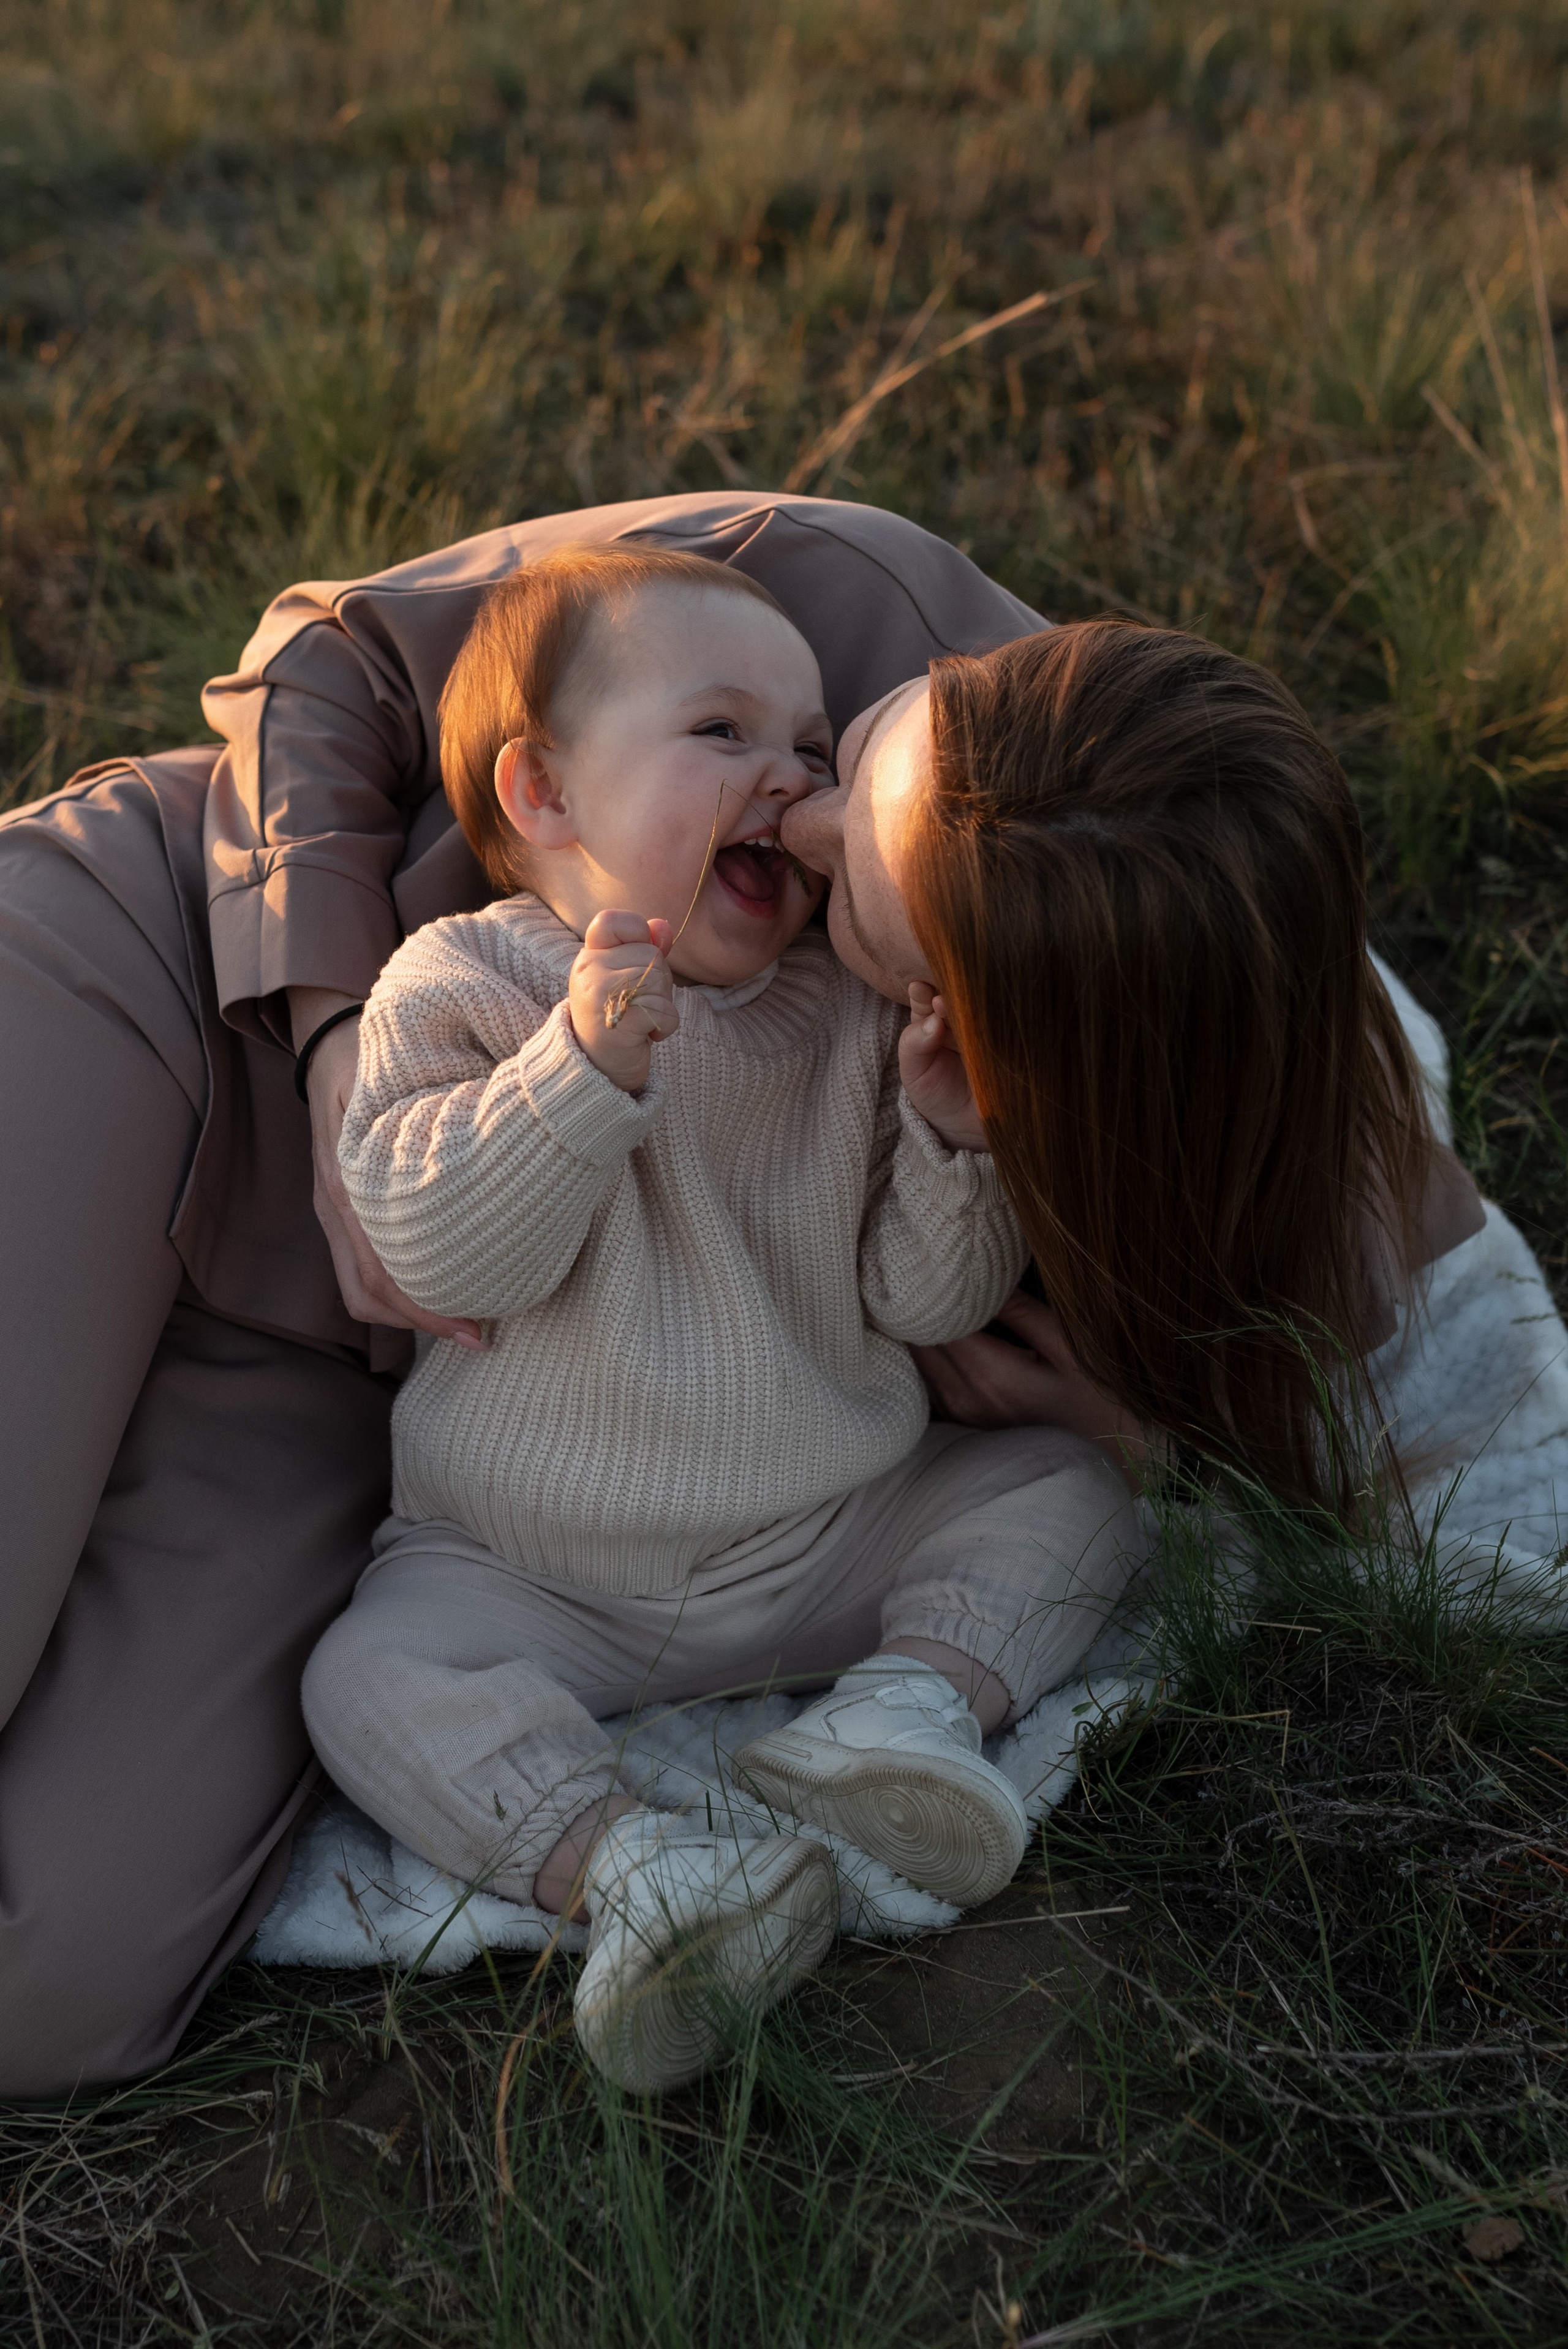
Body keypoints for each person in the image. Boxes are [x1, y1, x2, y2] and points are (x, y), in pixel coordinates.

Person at [0, 490, 1480, 2097]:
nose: (812, 804)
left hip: (340, 1395)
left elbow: (1208, 1370)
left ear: (968, 1020)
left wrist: (1117, 1406)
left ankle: (778, 1801)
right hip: (162, 1028)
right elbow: (324, 662)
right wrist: (333, 1021)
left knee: (48, 1979)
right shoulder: (813, 610)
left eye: (864, 899)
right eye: (836, 761)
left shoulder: (925, 1030)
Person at [300, 544, 1139, 2092]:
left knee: (1068, 1487)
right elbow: (435, 1248)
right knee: (367, 1682)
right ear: (545, 793)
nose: (789, 784)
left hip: (830, 1525)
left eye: (814, 750)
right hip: (531, 1566)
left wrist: (953, 1136)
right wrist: (576, 1074)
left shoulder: (847, 1006)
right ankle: (645, 1873)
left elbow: (921, 1302)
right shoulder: (464, 984)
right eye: (723, 734)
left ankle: (900, 1709)